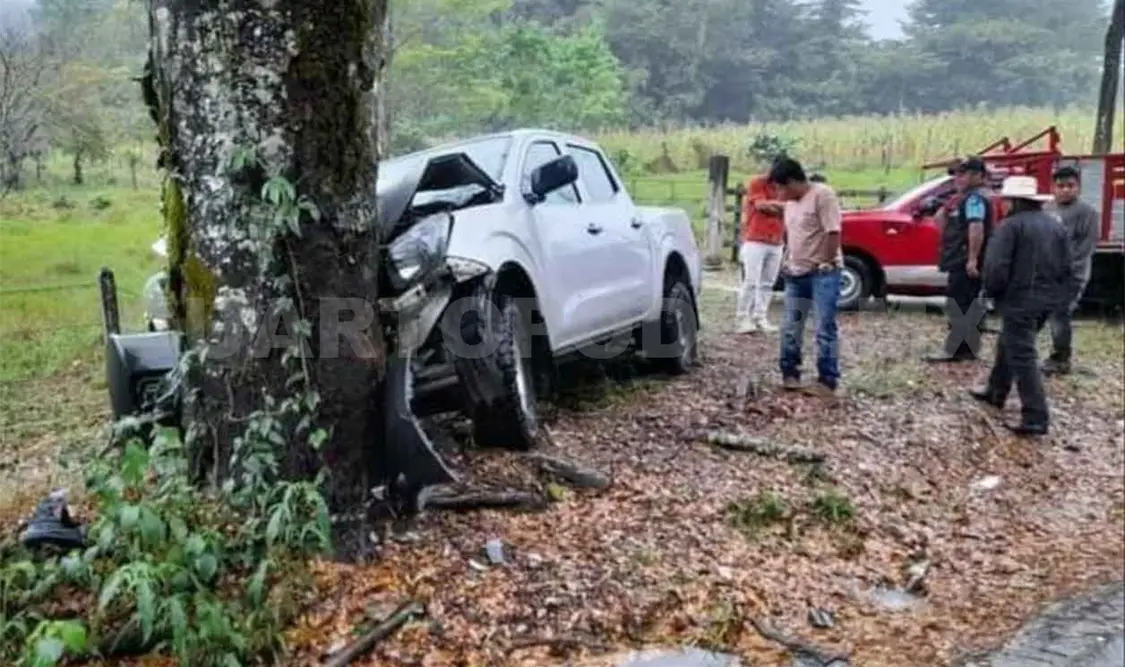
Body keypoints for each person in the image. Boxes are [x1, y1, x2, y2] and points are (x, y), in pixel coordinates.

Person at [970, 176, 1073, 436]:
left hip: (1020, 299)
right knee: (1010, 342)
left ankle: (1036, 416)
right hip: (1047, 299)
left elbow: (996, 267)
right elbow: (1066, 267)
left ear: (1013, 202)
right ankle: (996, 390)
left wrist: (990, 292)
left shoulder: (1010, 227)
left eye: (1005, 200)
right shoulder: (1055, 225)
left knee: (1023, 356)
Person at [769, 157, 843, 397]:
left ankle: (827, 379)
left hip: (822, 273)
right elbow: (793, 235)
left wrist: (826, 260)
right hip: (796, 272)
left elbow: (833, 231)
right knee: (791, 325)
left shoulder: (823, 195)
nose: (779, 193)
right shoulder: (791, 203)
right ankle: (790, 372)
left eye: (781, 187)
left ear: (792, 181)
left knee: (824, 326)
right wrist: (786, 260)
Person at [925, 156, 994, 363]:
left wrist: (972, 259)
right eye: (956, 174)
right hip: (959, 257)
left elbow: (976, 227)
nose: (957, 178)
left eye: (962, 174)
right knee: (966, 302)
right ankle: (966, 348)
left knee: (960, 303)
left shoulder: (975, 199)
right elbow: (939, 220)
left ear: (977, 176)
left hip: (965, 259)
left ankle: (957, 349)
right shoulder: (963, 197)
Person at [1042, 166, 1100, 375]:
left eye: (1070, 186)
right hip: (1047, 273)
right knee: (1044, 313)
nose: (1065, 190)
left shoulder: (1088, 213)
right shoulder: (1046, 209)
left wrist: (1065, 270)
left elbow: (1086, 248)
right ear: (1053, 187)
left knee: (1060, 313)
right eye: (1061, 186)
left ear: (1078, 187)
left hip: (1072, 275)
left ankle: (1061, 359)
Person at [735, 158, 786, 334]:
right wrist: (783, 207)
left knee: (768, 282)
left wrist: (777, 206)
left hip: (777, 240)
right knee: (750, 281)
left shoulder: (784, 188)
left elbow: (793, 208)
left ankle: (760, 316)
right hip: (756, 238)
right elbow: (761, 205)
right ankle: (742, 318)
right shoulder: (758, 182)